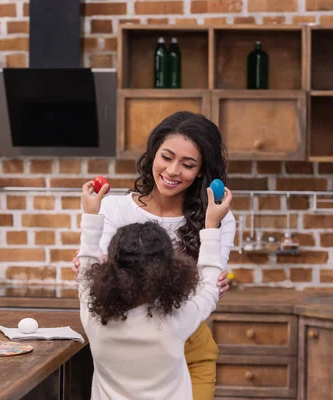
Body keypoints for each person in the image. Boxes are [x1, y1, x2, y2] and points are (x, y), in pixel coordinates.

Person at [72, 111, 236, 399]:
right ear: (153, 155)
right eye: (167, 157)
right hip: (134, 337)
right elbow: (206, 287)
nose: (173, 171)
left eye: (187, 164)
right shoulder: (112, 208)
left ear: (200, 171)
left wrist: (94, 264)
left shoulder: (218, 217)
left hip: (192, 344)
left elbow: (94, 271)